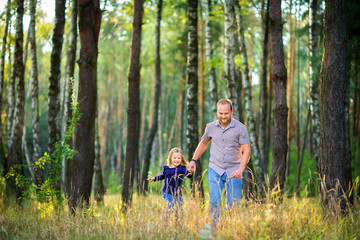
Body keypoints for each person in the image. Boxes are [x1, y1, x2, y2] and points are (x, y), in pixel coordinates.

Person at [188, 99, 251, 226]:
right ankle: (214, 229)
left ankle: (230, 229)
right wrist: (193, 160)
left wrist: (240, 169)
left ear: (231, 112)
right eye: (220, 113)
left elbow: (247, 150)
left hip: (234, 170)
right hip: (215, 168)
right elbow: (204, 144)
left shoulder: (240, 128)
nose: (223, 116)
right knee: (215, 201)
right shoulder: (210, 127)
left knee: (233, 204)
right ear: (217, 112)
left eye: (226, 113)